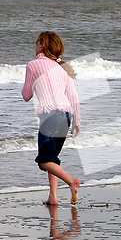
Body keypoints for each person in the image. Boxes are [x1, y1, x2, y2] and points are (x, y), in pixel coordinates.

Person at [22, 31, 81, 206]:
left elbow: (26, 95)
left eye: (36, 43)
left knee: (44, 160)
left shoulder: (33, 65)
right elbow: (74, 97)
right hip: (66, 115)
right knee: (52, 158)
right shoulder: (62, 68)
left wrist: (30, 85)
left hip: (50, 116)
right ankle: (53, 197)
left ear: (41, 45)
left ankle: (71, 181)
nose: (34, 46)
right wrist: (77, 123)